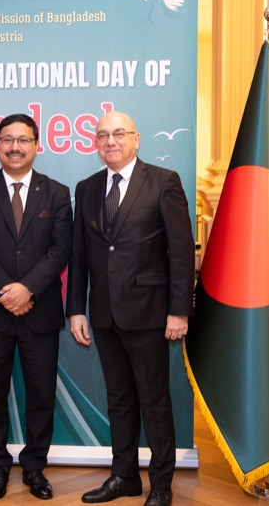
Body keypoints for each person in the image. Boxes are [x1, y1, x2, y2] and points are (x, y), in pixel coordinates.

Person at [66, 111, 195, 506]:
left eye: (119, 133)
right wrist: (76, 309)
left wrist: (179, 311)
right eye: (102, 135)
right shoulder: (87, 188)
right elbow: (79, 254)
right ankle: (124, 476)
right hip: (104, 314)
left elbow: (181, 251)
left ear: (136, 139)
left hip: (149, 313)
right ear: (95, 143)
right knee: (119, 399)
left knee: (154, 402)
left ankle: (161, 485)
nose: (111, 141)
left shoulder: (163, 182)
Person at [0, 113, 72, 500]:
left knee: (41, 394)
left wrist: (28, 290)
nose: (15, 147)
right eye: (8, 139)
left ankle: (35, 466)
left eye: (23, 140)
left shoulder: (56, 193)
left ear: (36, 145)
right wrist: (7, 291)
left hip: (39, 311)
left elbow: (61, 248)